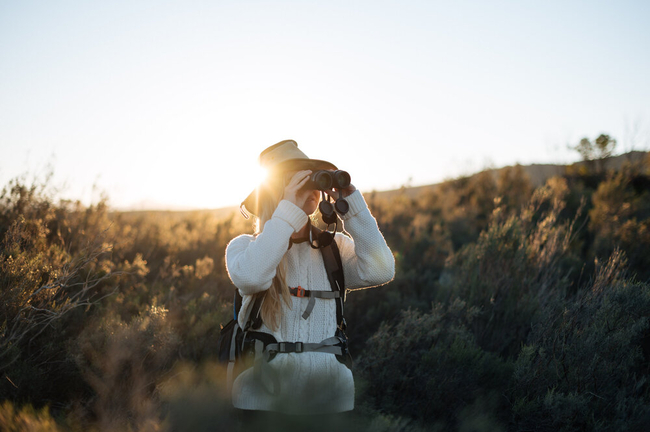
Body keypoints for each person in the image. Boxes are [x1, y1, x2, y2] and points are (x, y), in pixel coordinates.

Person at [225, 139, 394, 425]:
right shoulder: (244, 248)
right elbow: (253, 276)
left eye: (312, 179)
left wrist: (352, 205)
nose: (310, 189)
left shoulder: (333, 249)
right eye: (296, 181)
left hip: (327, 402)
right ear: (276, 192)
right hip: (263, 403)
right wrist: (288, 209)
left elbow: (381, 269)